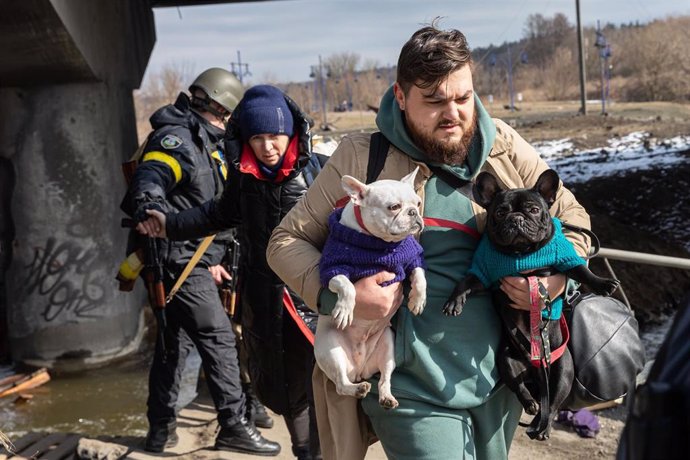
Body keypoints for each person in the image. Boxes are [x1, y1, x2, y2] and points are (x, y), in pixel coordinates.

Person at [265, 21, 593, 460]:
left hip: (502, 376)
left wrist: (556, 281)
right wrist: (336, 297)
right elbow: (285, 241)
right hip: (406, 384)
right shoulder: (363, 157)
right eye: (435, 101)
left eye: (463, 97)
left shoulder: (503, 148)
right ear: (400, 97)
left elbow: (573, 218)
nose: (453, 113)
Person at [137, 85, 325, 460]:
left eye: (275, 136)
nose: (268, 146)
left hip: (312, 300)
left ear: (290, 134)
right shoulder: (245, 178)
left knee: (324, 385)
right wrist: (168, 224)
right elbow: (216, 215)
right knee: (288, 392)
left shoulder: (319, 172)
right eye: (258, 138)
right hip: (264, 303)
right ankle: (306, 453)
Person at [121, 68, 280, 456]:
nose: (229, 124)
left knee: (171, 347)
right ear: (218, 108)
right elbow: (153, 175)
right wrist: (150, 204)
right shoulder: (179, 140)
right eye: (227, 117)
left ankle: (160, 432)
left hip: (195, 260)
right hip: (177, 261)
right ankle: (234, 425)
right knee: (220, 338)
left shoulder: (207, 143)